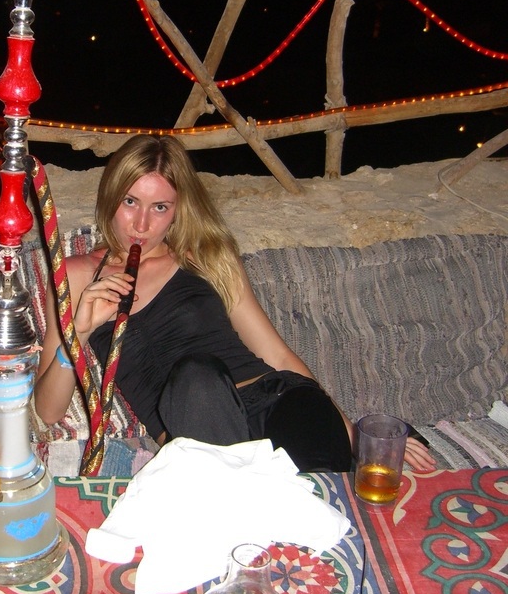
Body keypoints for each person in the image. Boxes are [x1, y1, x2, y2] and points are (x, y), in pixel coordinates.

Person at [33, 134, 435, 472]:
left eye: (160, 208)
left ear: (177, 210)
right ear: (111, 197)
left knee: (321, 486)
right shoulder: (77, 276)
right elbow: (48, 411)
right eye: (130, 202)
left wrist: (359, 439)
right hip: (201, 419)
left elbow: (277, 354)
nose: (142, 225)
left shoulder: (205, 256)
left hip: (279, 402)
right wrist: (79, 332)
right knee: (196, 378)